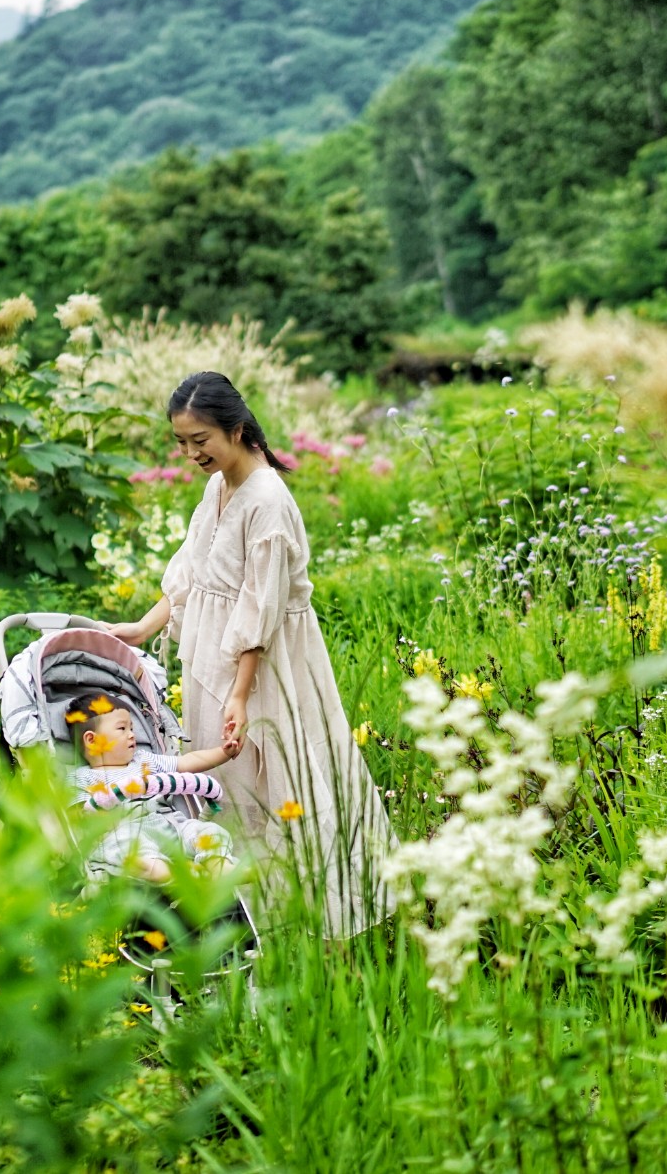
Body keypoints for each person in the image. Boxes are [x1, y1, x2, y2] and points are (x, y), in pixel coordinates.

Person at [108, 371, 390, 937]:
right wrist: (141, 629)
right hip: (219, 659)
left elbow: (259, 609)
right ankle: (250, 918)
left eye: (200, 440)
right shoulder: (219, 487)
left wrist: (240, 692)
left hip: (265, 665)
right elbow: (193, 576)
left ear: (237, 431)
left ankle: (308, 920)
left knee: (280, 780)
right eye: (181, 442)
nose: (189, 453)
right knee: (229, 787)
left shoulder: (267, 503)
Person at [67, 692, 239, 882]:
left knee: (208, 832)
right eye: (122, 728)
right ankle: (178, 877)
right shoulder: (81, 778)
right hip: (124, 832)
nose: (132, 734)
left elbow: (187, 762)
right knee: (126, 848)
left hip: (169, 825)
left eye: (131, 727)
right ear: (91, 740)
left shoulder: (144, 761)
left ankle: (218, 868)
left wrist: (224, 753)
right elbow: (78, 817)